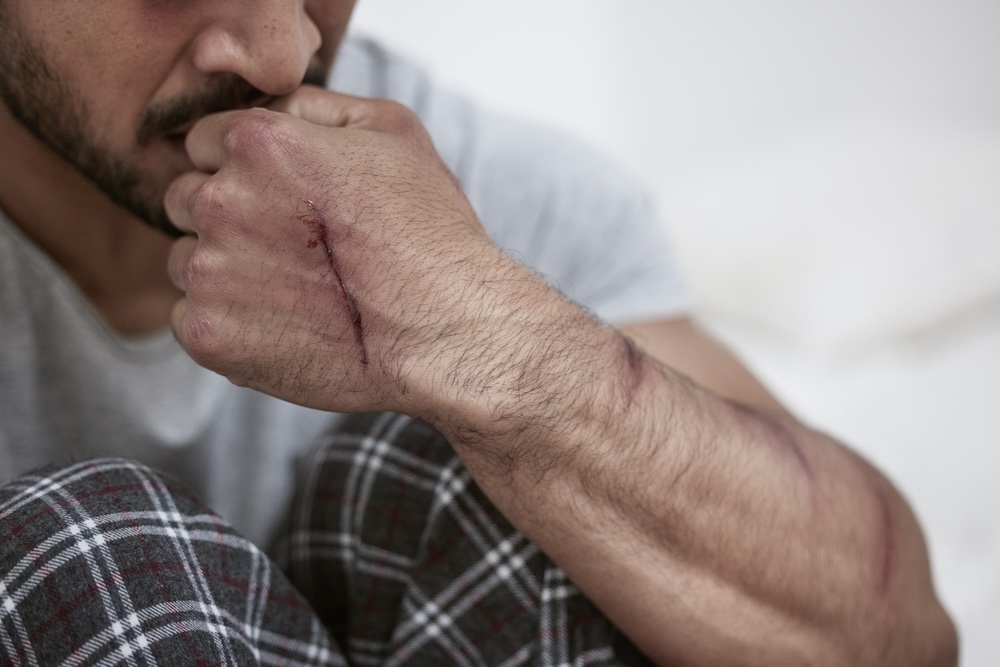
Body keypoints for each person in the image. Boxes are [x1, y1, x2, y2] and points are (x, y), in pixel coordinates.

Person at [0, 1, 957, 665]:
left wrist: (478, 327)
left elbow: (898, 634)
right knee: (86, 549)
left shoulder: (493, 187)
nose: (281, 54)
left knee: (454, 471)